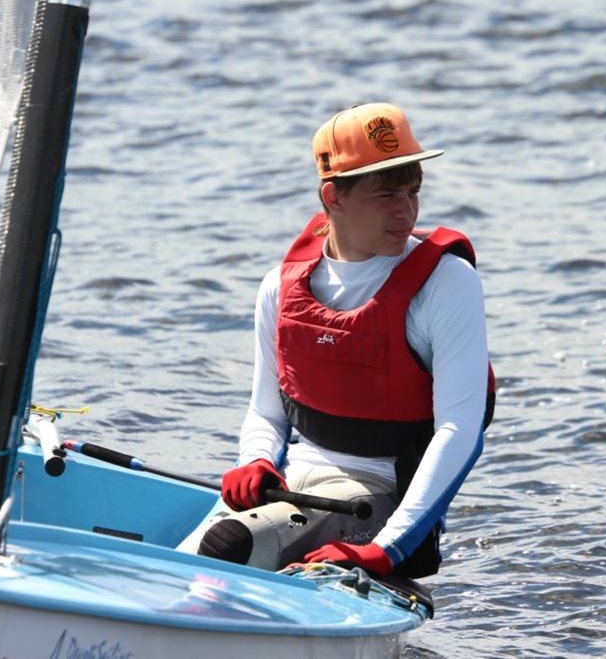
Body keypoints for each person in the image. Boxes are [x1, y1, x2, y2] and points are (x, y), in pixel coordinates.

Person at [178, 102, 494, 580]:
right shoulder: (279, 287)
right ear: (334, 196)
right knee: (175, 562)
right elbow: (266, 412)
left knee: (228, 544)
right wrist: (256, 461)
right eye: (386, 195)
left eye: (413, 191)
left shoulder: (447, 283)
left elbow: (460, 428)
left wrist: (386, 549)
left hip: (379, 500)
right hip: (291, 484)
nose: (406, 210)